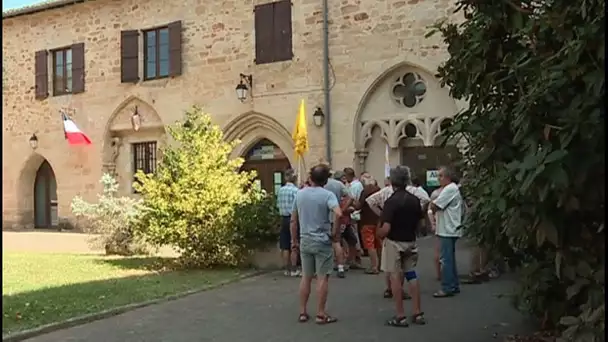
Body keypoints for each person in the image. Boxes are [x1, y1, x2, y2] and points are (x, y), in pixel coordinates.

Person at [291, 164, 341, 325]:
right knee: (322, 277)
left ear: (310, 178)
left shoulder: (300, 194)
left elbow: (293, 220)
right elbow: (338, 213)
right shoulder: (327, 195)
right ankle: (320, 313)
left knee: (306, 277)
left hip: (305, 239)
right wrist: (334, 232)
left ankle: (303, 312)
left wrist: (294, 240)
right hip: (322, 240)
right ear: (325, 180)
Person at [378, 166, 426, 327]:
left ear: (392, 181)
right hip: (410, 241)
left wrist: (379, 234)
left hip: (394, 242)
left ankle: (400, 315)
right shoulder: (414, 200)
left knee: (395, 277)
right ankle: (417, 312)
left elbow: (386, 228)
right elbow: (421, 224)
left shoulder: (391, 202)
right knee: (412, 275)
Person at [430, 166, 464, 298]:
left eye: (440, 176)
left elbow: (435, 205)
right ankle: (453, 284)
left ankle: (447, 287)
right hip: (449, 227)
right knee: (449, 258)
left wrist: (432, 203)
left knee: (446, 260)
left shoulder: (449, 189)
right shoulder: (451, 188)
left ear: (448, 177)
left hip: (448, 229)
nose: (438, 179)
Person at [324, 170, 357, 278]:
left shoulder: (318, 185)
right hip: (335, 216)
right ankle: (340, 267)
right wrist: (343, 208)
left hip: (321, 217)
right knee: (336, 242)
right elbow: (351, 197)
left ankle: (320, 268)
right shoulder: (338, 184)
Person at [354, 176, 381, 274]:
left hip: (366, 221)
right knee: (378, 244)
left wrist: (353, 203)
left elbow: (358, 206)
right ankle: (381, 265)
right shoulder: (380, 191)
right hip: (378, 220)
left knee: (370, 244)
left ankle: (374, 266)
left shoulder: (365, 191)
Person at [277, 169, 300, 276]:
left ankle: (287, 269)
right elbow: (298, 206)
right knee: (294, 243)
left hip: (283, 218)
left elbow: (278, 205)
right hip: (293, 218)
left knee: (285, 245)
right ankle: (294, 268)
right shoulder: (296, 191)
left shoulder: (280, 190)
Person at [428, 188, 442, 281]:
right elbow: (430, 210)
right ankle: (439, 274)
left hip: (440, 224)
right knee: (439, 250)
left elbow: (429, 211)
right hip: (440, 224)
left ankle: (440, 274)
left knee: (440, 250)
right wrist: (433, 223)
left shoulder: (436, 193)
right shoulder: (437, 193)